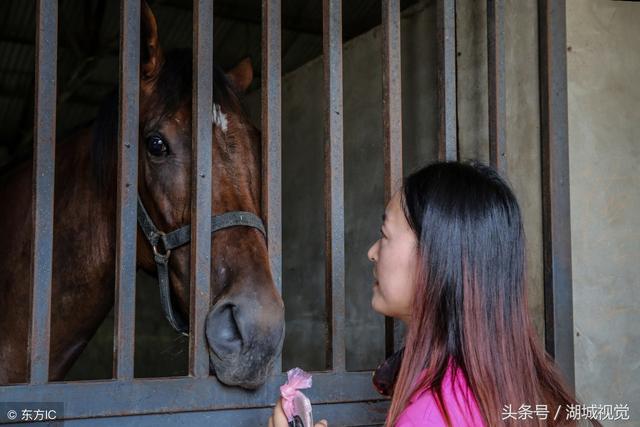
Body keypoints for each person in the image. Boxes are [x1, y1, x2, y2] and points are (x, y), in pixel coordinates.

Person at [269, 161, 601, 426]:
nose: (372, 252)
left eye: (384, 235)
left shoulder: (430, 414)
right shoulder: (529, 387)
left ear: (434, 258)